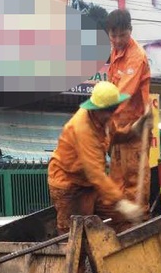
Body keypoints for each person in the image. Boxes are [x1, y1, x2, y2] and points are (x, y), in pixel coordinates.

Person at [48, 80, 147, 236]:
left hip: (89, 184)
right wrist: (121, 202)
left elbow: (115, 136)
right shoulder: (83, 129)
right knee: (74, 234)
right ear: (96, 109)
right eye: (109, 110)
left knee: (117, 216)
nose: (112, 114)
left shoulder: (105, 120)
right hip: (69, 184)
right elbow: (95, 174)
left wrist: (134, 130)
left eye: (114, 108)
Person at [103, 8, 153, 225]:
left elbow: (121, 95)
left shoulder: (136, 57)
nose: (117, 40)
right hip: (119, 130)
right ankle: (119, 229)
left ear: (130, 31)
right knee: (116, 184)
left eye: (122, 35)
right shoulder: (115, 52)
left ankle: (137, 230)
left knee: (135, 185)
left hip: (135, 129)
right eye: (113, 35)